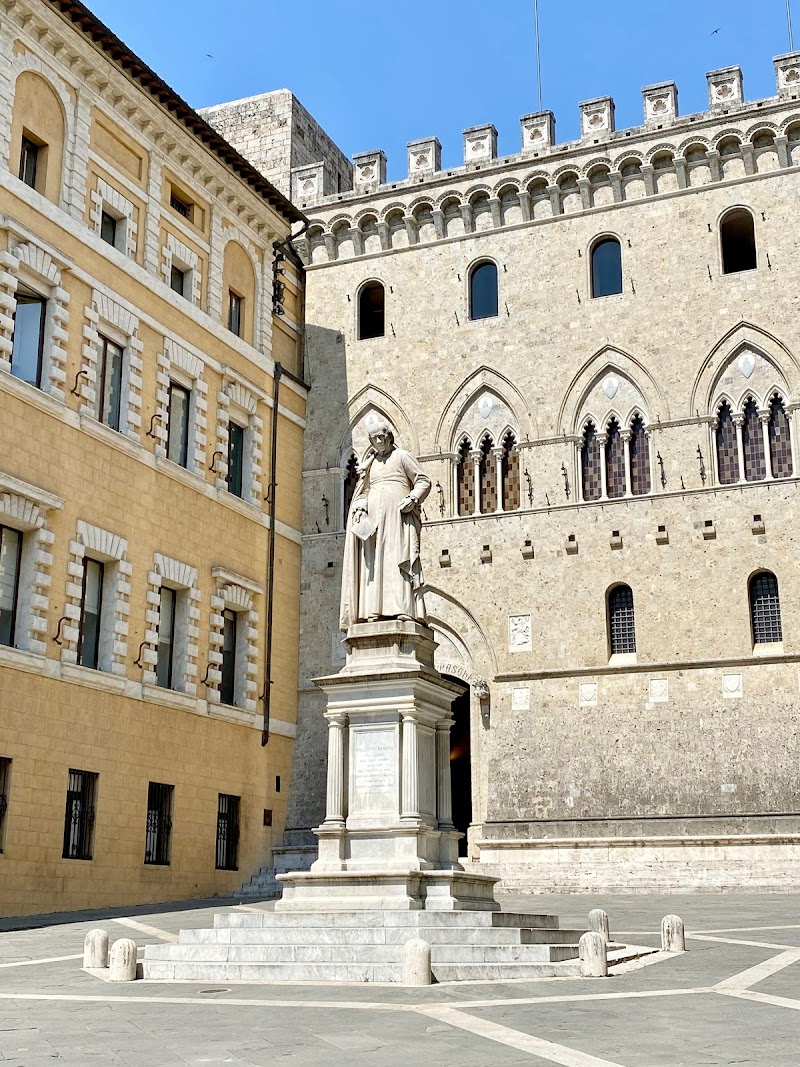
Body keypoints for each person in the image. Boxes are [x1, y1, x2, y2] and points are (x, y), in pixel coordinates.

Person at [339, 420, 431, 631]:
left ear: (389, 437)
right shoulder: (370, 464)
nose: (379, 441)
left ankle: (403, 609)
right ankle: (372, 610)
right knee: (373, 565)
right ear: (371, 441)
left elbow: (423, 480)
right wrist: (361, 506)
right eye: (374, 438)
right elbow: (363, 492)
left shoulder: (402, 457)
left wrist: (413, 498)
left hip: (398, 519)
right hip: (374, 525)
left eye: (382, 436)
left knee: (397, 561)